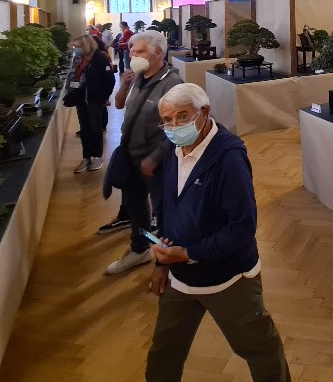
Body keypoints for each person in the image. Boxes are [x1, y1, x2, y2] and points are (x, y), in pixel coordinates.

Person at [146, 83, 289, 382]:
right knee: (164, 351)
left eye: (182, 116)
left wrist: (188, 253)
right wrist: (162, 261)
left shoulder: (228, 158)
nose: (174, 126)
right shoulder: (173, 149)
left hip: (229, 279)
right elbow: (166, 207)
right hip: (179, 278)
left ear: (204, 112)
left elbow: (242, 229)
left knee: (260, 350)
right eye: (167, 120)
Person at [105, 29, 183, 275]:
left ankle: (168, 261)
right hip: (131, 156)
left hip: (155, 163)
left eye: (139, 51)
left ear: (158, 53)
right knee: (135, 206)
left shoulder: (173, 84)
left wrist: (155, 158)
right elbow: (119, 104)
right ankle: (140, 249)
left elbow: (177, 129)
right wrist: (124, 84)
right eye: (131, 50)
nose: (132, 55)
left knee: (163, 211)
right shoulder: (138, 77)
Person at [72, 33, 116, 173]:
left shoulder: (100, 59)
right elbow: (76, 77)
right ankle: (86, 157)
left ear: (85, 46)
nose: (75, 49)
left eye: (77, 46)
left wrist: (104, 97)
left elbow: (110, 80)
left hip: (95, 100)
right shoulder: (80, 60)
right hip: (81, 99)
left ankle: (97, 156)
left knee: (95, 128)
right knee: (84, 129)